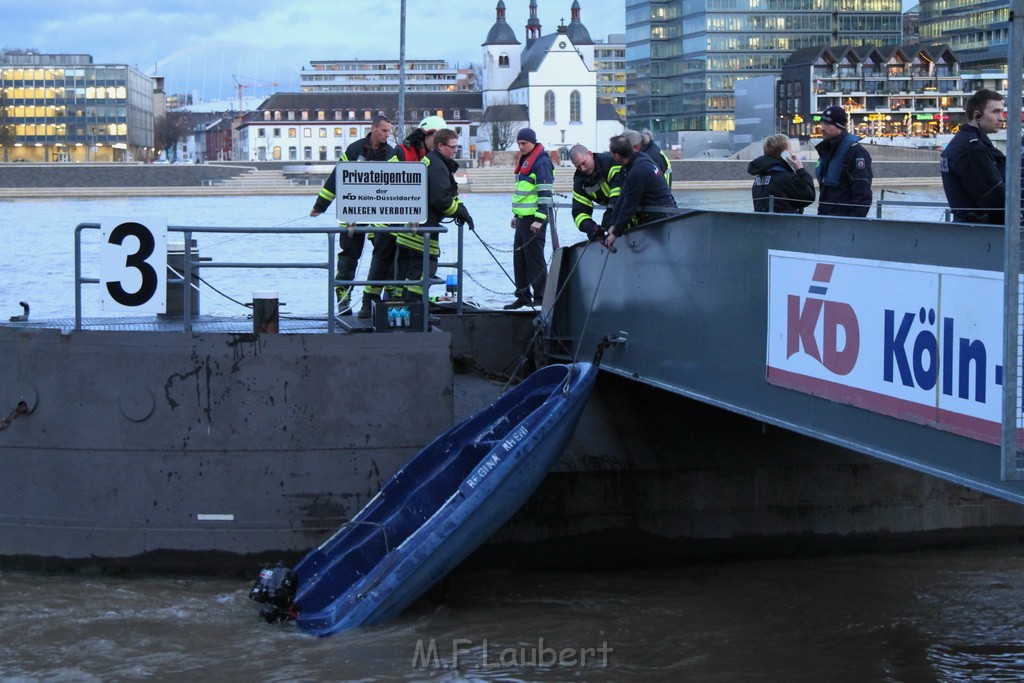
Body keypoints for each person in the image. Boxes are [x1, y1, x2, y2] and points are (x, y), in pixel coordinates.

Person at [310, 114, 398, 316]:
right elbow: (336, 179)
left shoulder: (391, 153)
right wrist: (320, 206)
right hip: (353, 213)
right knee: (348, 257)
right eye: (384, 130)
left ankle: (378, 300)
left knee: (384, 257)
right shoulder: (354, 149)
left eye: (389, 131)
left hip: (380, 215)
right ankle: (343, 300)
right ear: (373, 128)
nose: (387, 135)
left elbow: (396, 183)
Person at [396, 127, 472, 303]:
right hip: (423, 229)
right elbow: (442, 200)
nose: (455, 151)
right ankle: (417, 312)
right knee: (424, 269)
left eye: (456, 147)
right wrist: (461, 213)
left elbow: (449, 194)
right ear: (440, 146)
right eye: (452, 147)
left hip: (415, 226)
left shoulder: (432, 162)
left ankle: (411, 309)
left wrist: (461, 209)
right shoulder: (437, 166)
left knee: (414, 272)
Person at [941, 88, 1007, 224]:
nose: (1001, 117)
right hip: (981, 232)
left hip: (967, 228)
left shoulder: (963, 142)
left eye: (1002, 111)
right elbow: (995, 196)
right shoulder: (972, 148)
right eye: (996, 112)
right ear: (977, 115)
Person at [505, 127, 554, 310]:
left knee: (534, 259)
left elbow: (545, 192)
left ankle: (541, 297)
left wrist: (540, 219)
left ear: (533, 142)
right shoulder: (526, 160)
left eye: (524, 143)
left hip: (535, 219)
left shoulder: (541, 163)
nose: (521, 147)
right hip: (524, 218)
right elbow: (524, 193)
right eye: (518, 144)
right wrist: (517, 216)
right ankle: (523, 296)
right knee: (520, 258)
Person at [603, 134, 677, 251]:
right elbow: (623, 196)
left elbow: (629, 206)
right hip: (667, 213)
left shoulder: (637, 172)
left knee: (662, 252)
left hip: (661, 218)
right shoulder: (641, 158)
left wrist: (615, 234)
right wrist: (613, 224)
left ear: (617, 156)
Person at [814, 105, 872, 217]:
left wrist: (852, 224)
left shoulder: (856, 152)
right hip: (825, 219)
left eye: (827, 124)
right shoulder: (827, 150)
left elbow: (862, 191)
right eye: (822, 123)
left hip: (843, 221)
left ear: (840, 126)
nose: (822, 128)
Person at [747, 134, 816, 213]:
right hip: (786, 223)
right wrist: (800, 170)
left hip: (763, 223)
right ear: (785, 153)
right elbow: (809, 196)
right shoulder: (787, 178)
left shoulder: (758, 180)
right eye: (790, 149)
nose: (792, 153)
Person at [568, 143, 622, 242]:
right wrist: (590, 226)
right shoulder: (580, 180)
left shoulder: (610, 162)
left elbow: (619, 189)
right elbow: (578, 212)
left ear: (590, 154)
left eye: (584, 163)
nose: (583, 169)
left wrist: (611, 211)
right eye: (578, 167)